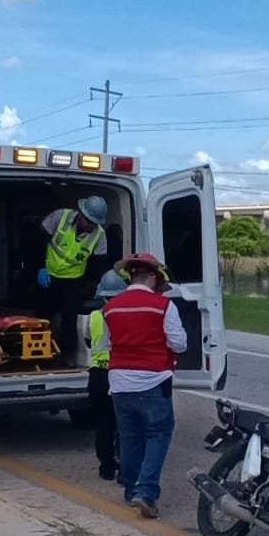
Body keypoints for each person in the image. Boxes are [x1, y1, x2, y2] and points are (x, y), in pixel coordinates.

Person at [102, 252, 185, 519]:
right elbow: (179, 343)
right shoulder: (163, 306)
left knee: (129, 438)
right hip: (153, 380)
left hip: (120, 382)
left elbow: (106, 345)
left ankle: (130, 492)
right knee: (158, 434)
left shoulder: (110, 307)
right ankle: (145, 493)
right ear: (152, 278)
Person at [38, 196, 108, 364]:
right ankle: (41, 355)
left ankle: (66, 357)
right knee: (42, 315)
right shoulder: (60, 217)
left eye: (96, 224)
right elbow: (37, 242)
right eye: (90, 222)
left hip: (72, 280)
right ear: (81, 215)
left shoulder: (99, 235)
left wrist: (96, 285)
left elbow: (99, 263)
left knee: (69, 319)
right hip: (49, 275)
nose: (92, 226)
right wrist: (40, 266)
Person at [83, 269, 127, 482]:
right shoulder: (126, 316)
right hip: (119, 374)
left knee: (103, 423)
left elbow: (88, 341)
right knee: (124, 425)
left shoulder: (93, 317)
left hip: (98, 375)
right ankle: (125, 469)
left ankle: (106, 467)